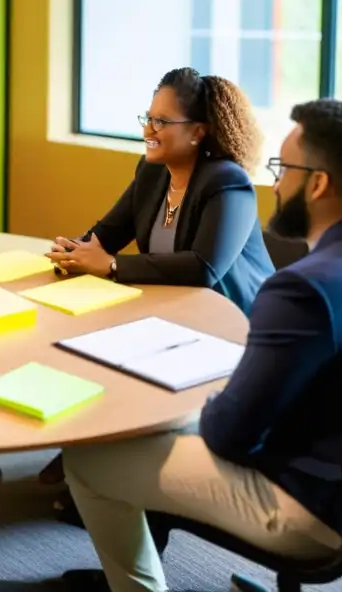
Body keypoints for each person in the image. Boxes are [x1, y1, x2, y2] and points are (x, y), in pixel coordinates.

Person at [60, 99, 342, 592]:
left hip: (312, 508)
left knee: (90, 460)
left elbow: (229, 436)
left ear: (318, 183)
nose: (274, 182)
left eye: (283, 169)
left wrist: (197, 402)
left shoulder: (305, 288)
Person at [41, 68, 275, 513]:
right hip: (174, 313)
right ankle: (89, 459)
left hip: (231, 325)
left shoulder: (227, 182)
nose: (148, 130)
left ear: (199, 131)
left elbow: (204, 268)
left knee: (121, 354)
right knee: (83, 339)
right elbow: (107, 233)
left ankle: (108, 472)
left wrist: (109, 265)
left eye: (162, 122)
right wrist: (74, 252)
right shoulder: (152, 173)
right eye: (147, 118)